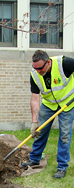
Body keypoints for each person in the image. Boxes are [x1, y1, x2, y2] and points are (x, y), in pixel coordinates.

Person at [21, 50, 74, 179]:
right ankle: (34, 159)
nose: (38, 71)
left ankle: (61, 166)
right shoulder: (34, 74)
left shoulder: (64, 63)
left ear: (48, 62)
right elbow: (35, 98)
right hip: (49, 104)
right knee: (40, 131)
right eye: (35, 68)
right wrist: (35, 122)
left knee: (65, 135)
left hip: (67, 104)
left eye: (40, 68)